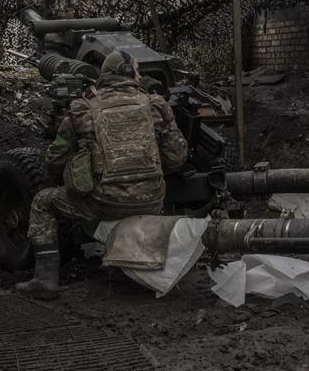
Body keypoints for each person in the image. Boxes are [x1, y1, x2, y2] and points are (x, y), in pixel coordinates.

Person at [16, 50, 188, 296]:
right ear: (127, 72)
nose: (140, 75)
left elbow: (55, 158)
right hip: (152, 199)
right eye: (137, 70)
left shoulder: (82, 109)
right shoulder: (156, 105)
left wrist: (70, 181)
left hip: (103, 202)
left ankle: (45, 280)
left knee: (42, 202)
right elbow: (176, 157)